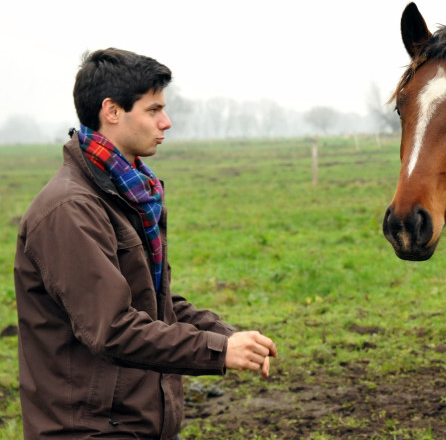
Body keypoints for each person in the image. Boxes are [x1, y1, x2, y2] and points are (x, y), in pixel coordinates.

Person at [13, 48, 278, 439]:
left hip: (131, 421)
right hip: (88, 427)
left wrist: (227, 335)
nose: (166, 122)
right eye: (153, 110)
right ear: (112, 111)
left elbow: (154, 303)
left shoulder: (129, 194)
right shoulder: (70, 209)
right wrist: (218, 351)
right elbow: (113, 328)